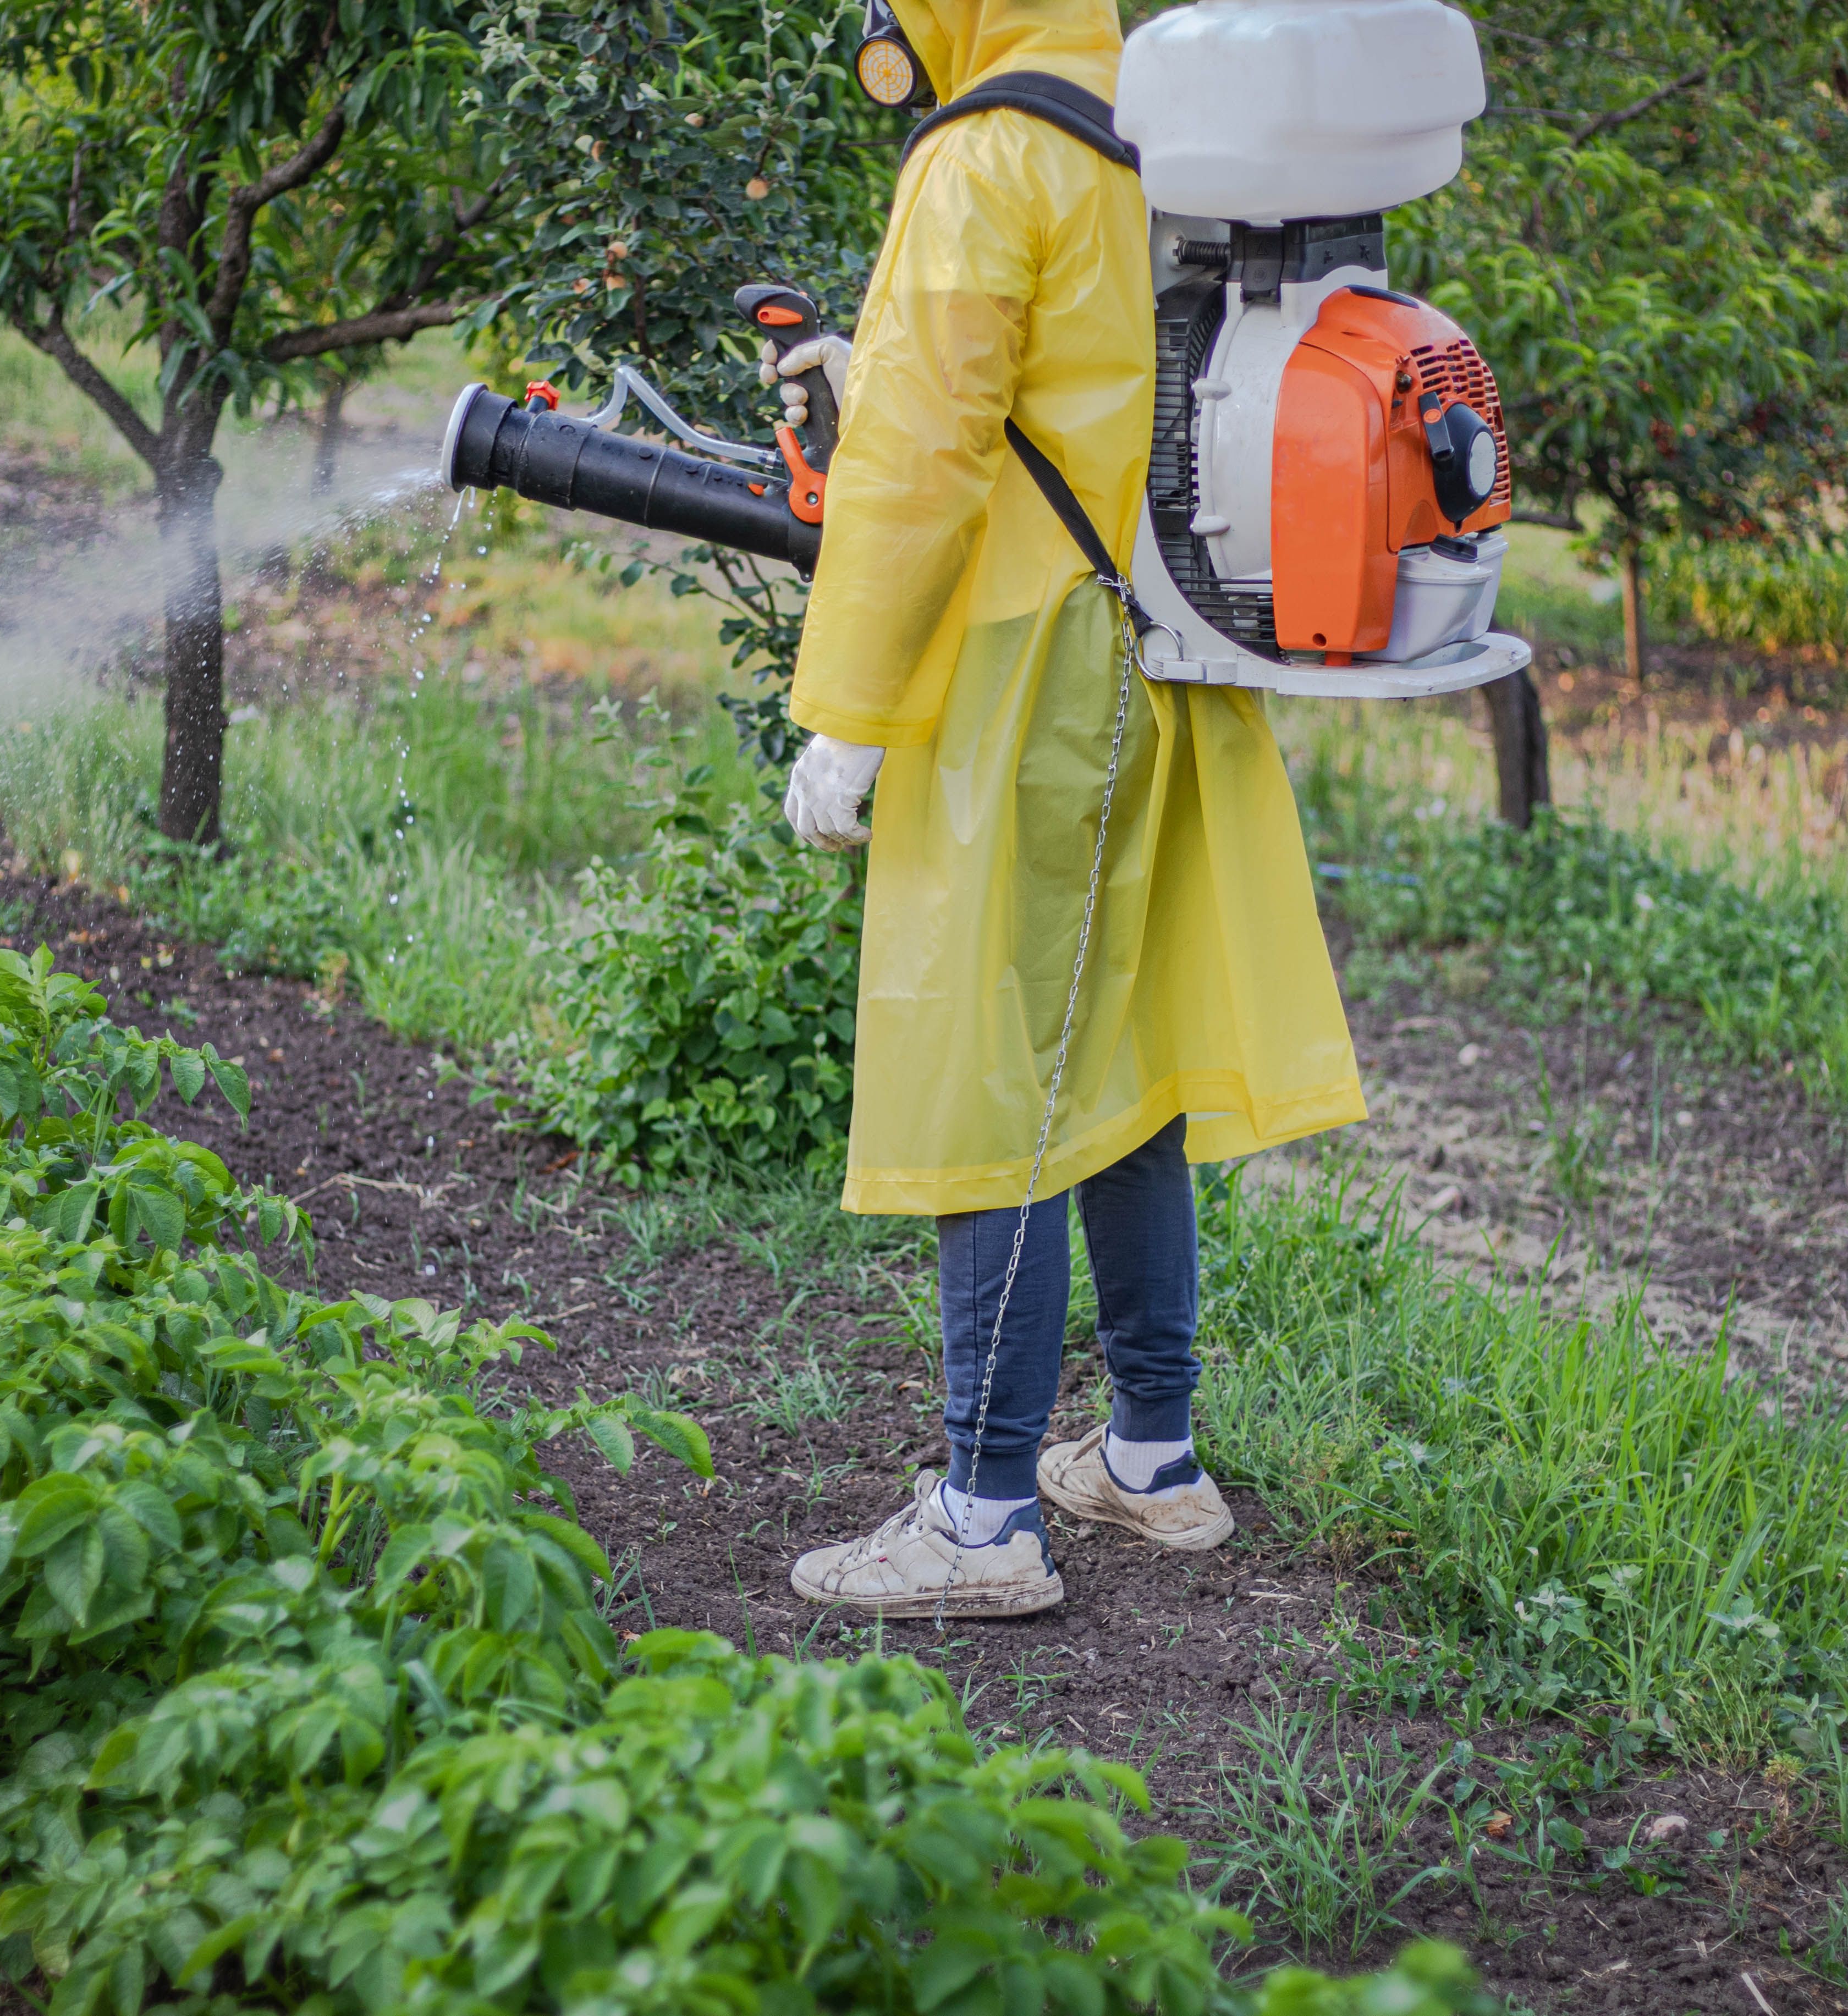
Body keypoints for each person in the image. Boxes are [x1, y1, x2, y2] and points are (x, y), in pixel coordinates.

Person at [773, 0, 1364, 1618]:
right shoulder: (1165, 130)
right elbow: (1074, 385)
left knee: (996, 1059)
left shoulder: (984, 152)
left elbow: (919, 461)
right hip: (1165, 638)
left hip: (1027, 669)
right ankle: (1148, 1459)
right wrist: (875, 366)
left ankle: (979, 1518)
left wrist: (849, 713)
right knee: (1123, 1047)